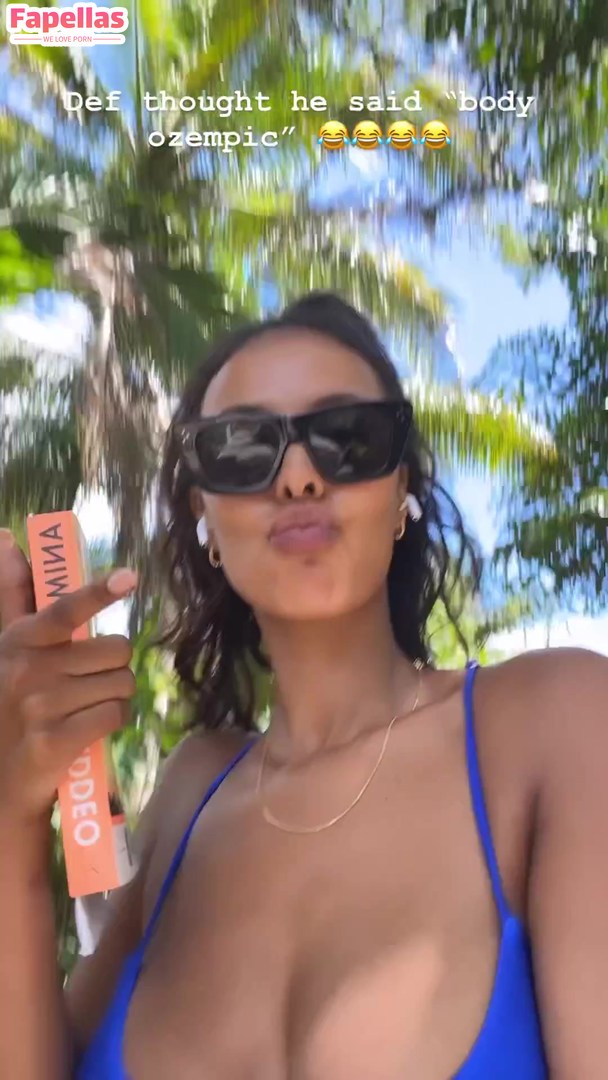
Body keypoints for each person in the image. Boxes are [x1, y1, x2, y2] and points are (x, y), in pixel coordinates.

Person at [0, 291, 606, 1080]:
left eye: (347, 437)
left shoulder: (556, 722)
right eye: (241, 447)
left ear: (400, 490)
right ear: (205, 515)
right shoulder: (190, 792)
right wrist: (12, 823)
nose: (296, 478)